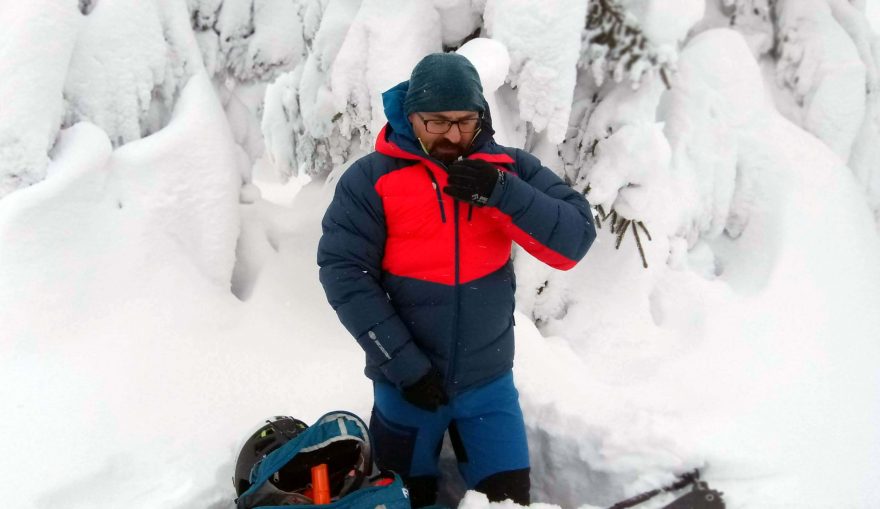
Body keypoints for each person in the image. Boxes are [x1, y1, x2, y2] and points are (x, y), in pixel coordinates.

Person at [317, 52, 596, 507]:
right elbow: (344, 273)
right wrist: (403, 366)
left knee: (509, 501)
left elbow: (575, 238)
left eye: (465, 122)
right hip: (405, 388)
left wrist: (502, 193)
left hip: (488, 387)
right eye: (437, 123)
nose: (453, 136)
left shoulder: (509, 169)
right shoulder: (371, 180)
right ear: (411, 117)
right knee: (405, 499)